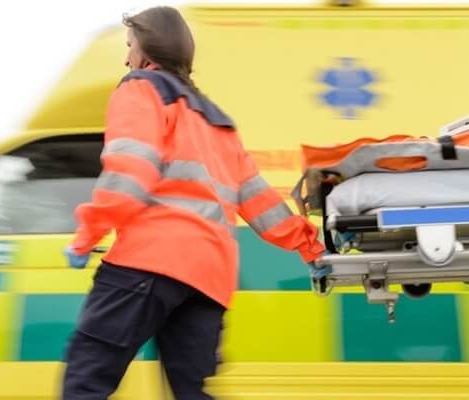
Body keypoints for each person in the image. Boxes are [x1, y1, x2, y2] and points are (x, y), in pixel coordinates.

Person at [61, 6, 325, 400]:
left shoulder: (140, 89)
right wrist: (309, 246)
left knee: (86, 378)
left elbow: (128, 175)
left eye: (130, 45)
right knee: (191, 392)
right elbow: (258, 200)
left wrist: (85, 237)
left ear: (147, 49)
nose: (126, 56)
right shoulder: (216, 120)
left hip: (148, 263)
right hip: (208, 278)